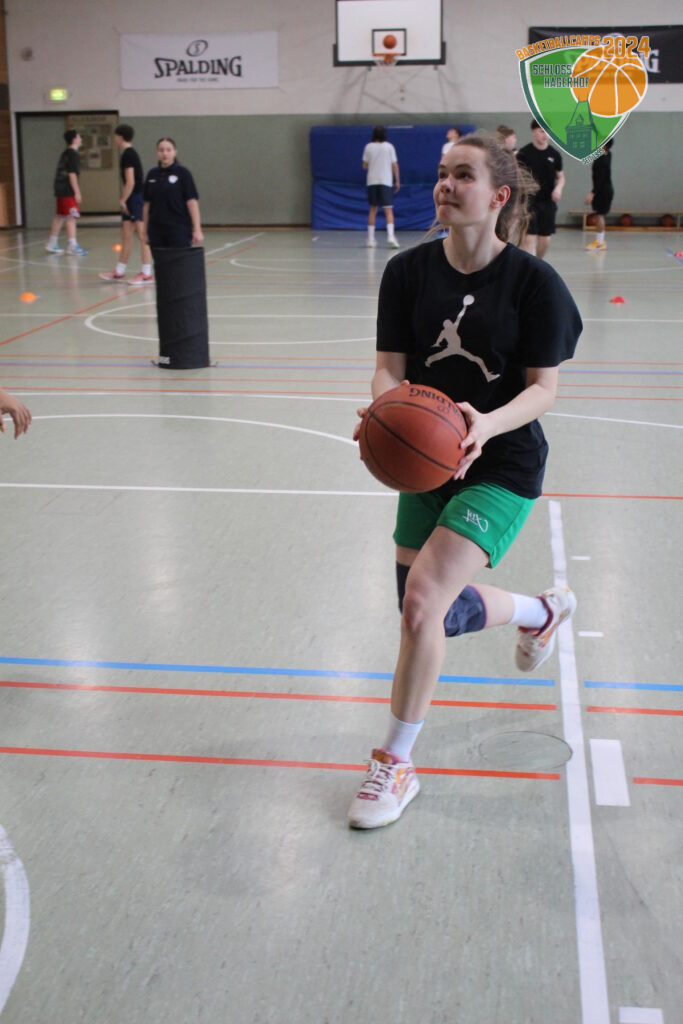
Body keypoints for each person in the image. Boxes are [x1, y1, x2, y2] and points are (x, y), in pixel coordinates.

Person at [347, 132, 581, 830]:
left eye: (463, 175)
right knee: (427, 614)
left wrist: (484, 424)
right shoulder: (407, 272)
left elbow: (543, 389)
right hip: (425, 461)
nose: (446, 185)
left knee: (423, 603)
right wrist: (386, 409)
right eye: (442, 174)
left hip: (499, 461)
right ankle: (540, 612)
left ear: (499, 195)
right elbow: (388, 368)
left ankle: (395, 763)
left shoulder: (534, 283)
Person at [99, 124, 153, 284]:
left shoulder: (128, 155)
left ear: (120, 137)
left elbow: (130, 182)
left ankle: (147, 273)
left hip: (135, 197)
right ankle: (119, 271)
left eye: (115, 135)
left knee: (142, 235)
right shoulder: (127, 154)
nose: (114, 138)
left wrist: (122, 199)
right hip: (132, 198)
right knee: (127, 235)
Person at [142, 138, 203, 250]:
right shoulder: (152, 174)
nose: (165, 153)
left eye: (168, 150)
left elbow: (192, 202)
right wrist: (145, 231)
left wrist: (197, 229)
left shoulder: (183, 173)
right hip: (156, 230)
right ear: (157, 153)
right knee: (160, 260)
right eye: (161, 150)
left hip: (178, 229)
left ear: (175, 152)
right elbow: (147, 205)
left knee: (179, 260)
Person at [517, 121, 565, 260]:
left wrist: (558, 188)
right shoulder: (524, 153)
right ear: (534, 132)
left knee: (545, 239)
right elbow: (517, 175)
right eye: (542, 131)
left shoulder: (554, 154)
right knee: (529, 237)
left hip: (547, 201)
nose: (545, 135)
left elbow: (561, 177)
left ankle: (537, 262)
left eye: (547, 132)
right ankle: (531, 265)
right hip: (529, 201)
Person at [45, 130, 87, 256]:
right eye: (79, 136)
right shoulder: (73, 155)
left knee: (59, 216)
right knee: (71, 217)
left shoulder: (65, 153)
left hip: (60, 188)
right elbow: (72, 174)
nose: (80, 138)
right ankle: (72, 246)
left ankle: (51, 243)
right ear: (74, 139)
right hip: (67, 190)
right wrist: (77, 192)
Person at [362, 126, 400, 249]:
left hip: (372, 181)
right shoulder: (389, 147)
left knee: (373, 209)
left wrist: (373, 163)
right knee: (388, 210)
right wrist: (397, 180)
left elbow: (364, 165)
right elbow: (395, 165)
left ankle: (370, 239)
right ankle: (391, 236)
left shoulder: (368, 147)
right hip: (386, 181)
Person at [585, 139, 614, 252]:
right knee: (599, 215)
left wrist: (592, 193)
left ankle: (599, 243)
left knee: (599, 216)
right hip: (604, 190)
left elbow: (599, 181)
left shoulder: (601, 161)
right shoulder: (608, 154)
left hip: (603, 191)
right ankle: (600, 240)